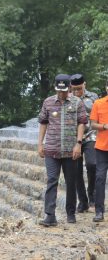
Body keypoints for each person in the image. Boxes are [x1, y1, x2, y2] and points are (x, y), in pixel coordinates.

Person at [38, 74, 87, 226]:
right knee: (52, 180)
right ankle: (50, 215)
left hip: (70, 150)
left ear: (69, 88)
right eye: (59, 91)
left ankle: (71, 213)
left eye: (64, 91)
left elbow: (81, 123)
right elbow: (43, 123)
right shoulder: (48, 102)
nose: (62, 94)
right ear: (55, 88)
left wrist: (78, 143)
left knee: (71, 182)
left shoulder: (77, 102)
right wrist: (40, 143)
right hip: (51, 149)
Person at [70, 74, 98, 212]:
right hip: (73, 138)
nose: (76, 92)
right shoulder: (67, 98)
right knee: (75, 171)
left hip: (90, 136)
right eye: (74, 89)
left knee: (92, 164)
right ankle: (83, 201)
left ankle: (92, 195)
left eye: (79, 89)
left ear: (84, 85)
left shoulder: (93, 97)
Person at [90, 81, 108, 222]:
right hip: (102, 147)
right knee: (100, 178)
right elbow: (93, 124)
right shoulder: (98, 103)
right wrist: (105, 126)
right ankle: (99, 211)